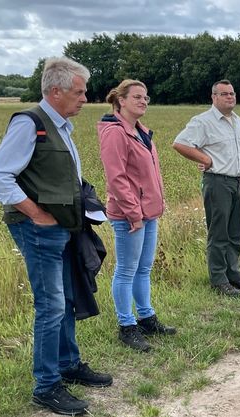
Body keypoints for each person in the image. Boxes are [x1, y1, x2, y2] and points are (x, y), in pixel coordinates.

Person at [0, 57, 113, 417]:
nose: (85, 98)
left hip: (65, 227)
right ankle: (46, 385)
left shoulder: (63, 126)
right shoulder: (30, 124)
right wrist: (36, 213)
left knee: (68, 298)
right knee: (51, 305)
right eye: (79, 91)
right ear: (55, 92)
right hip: (40, 230)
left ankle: (69, 364)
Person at [97, 79, 176, 353]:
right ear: (121, 101)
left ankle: (146, 318)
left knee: (144, 268)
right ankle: (126, 326)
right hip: (129, 215)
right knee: (126, 270)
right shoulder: (115, 132)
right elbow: (116, 178)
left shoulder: (141, 131)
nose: (143, 101)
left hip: (148, 211)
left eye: (146, 97)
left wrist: (155, 206)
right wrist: (133, 214)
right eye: (137, 97)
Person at [172, 80, 240, 298]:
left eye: (232, 93)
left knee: (235, 231)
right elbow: (180, 143)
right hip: (217, 181)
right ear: (214, 97)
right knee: (219, 233)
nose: (230, 97)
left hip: (236, 181)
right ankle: (219, 279)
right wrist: (204, 159)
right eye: (224, 94)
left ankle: (233, 274)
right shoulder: (203, 121)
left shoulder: (237, 121)